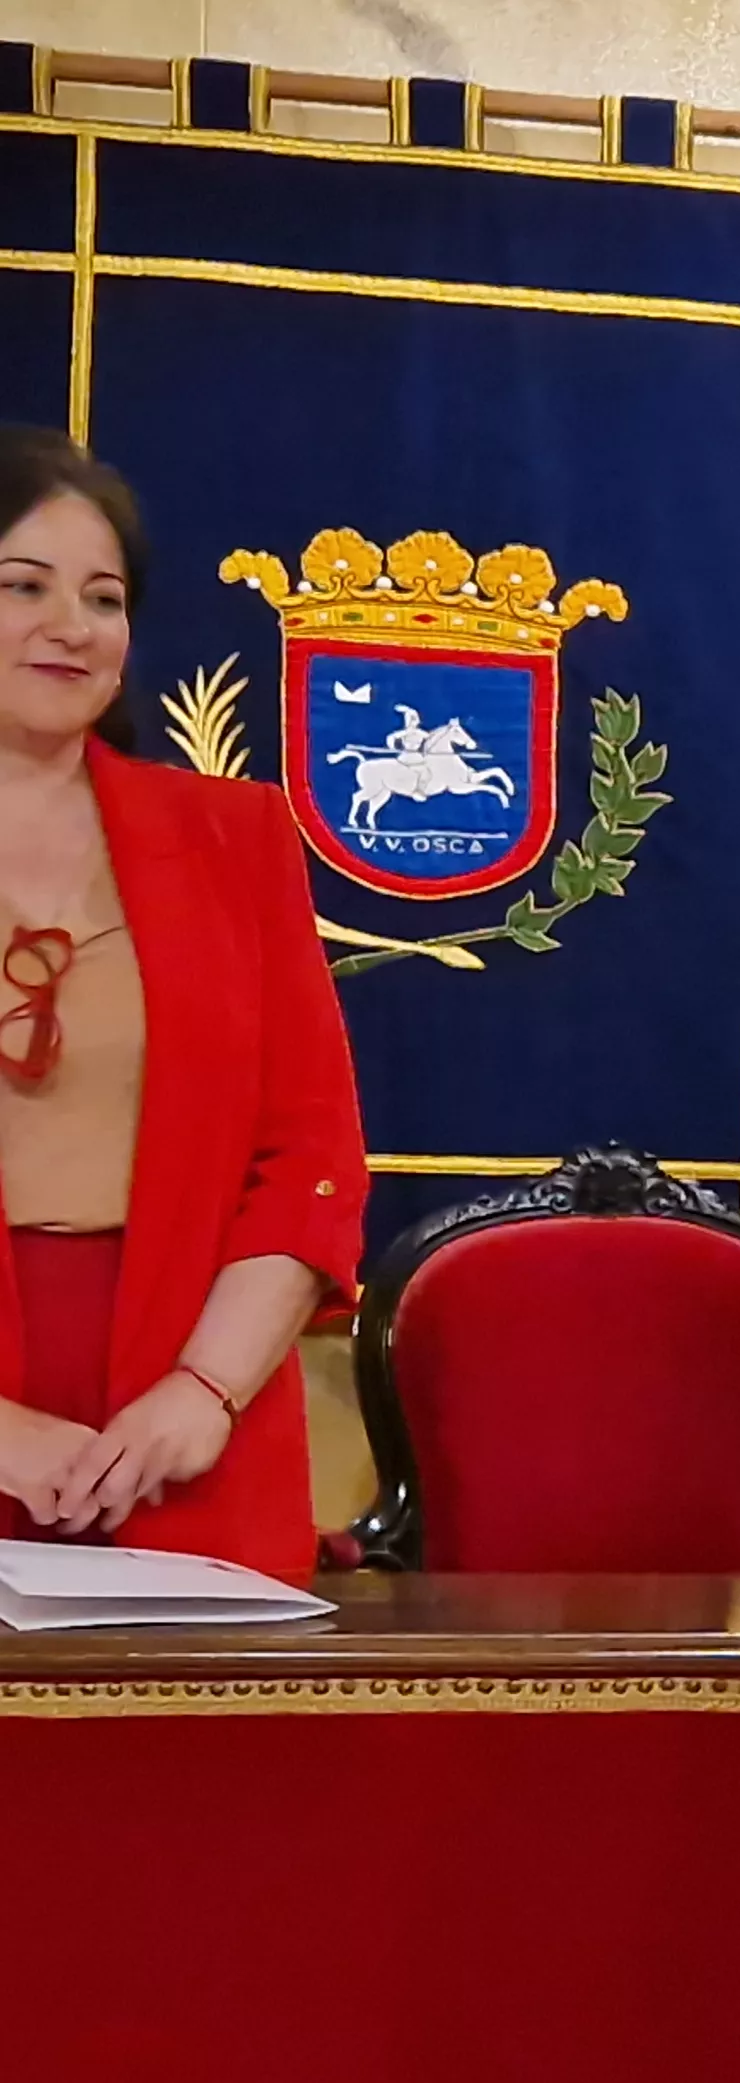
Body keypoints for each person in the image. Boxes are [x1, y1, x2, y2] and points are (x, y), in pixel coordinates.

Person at [0, 431, 365, 1583]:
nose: (73, 625)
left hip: (190, 1414)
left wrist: (203, 1390)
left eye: (103, 598)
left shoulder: (236, 838)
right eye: (23, 586)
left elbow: (310, 1151)